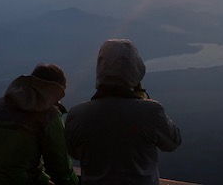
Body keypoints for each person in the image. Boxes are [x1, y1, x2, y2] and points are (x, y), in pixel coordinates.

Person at [65, 39, 181, 185]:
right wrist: (142, 100)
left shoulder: (77, 115)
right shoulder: (151, 112)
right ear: (136, 70)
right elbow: (173, 142)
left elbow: (74, 153)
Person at [0, 63, 79, 185]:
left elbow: (8, 162)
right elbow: (61, 170)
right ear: (56, 91)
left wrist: (42, 179)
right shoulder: (49, 115)